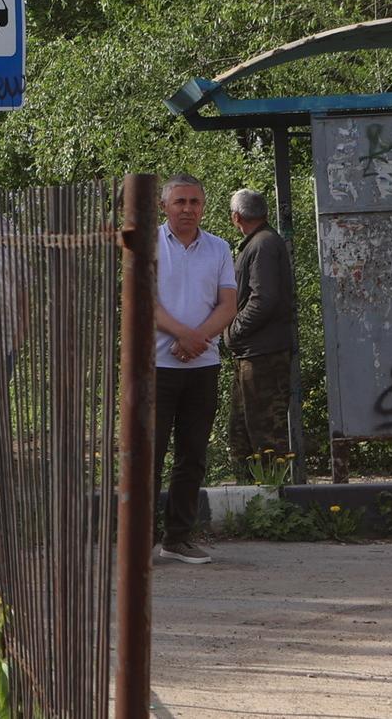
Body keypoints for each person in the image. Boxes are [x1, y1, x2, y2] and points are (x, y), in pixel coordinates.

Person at [150, 174, 239, 565]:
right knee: (149, 453)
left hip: (203, 365)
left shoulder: (219, 248)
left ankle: (178, 536)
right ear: (164, 205)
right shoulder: (148, 244)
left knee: (192, 454)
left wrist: (196, 339)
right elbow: (143, 301)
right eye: (180, 201)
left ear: (204, 206)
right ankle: (143, 540)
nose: (188, 209)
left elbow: (228, 304)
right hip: (156, 364)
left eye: (195, 202)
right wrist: (183, 335)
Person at [225, 188, 297, 478]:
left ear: (236, 217)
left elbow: (263, 299)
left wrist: (233, 332)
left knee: (266, 438)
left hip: (262, 355)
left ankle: (273, 501)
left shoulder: (263, 245)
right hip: (254, 353)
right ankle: (251, 503)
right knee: (242, 435)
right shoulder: (260, 243)